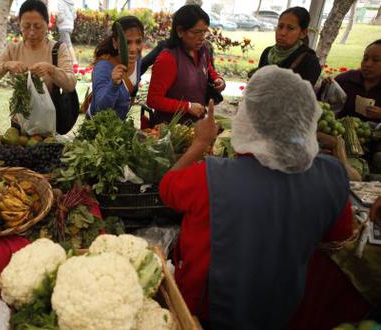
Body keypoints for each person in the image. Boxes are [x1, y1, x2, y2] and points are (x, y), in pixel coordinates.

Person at [159, 66, 353, 329]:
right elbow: (337, 237)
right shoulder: (332, 175)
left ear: (249, 120)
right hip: (282, 307)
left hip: (209, 309)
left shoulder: (211, 177)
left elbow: (168, 188)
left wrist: (200, 143)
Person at [0, 0, 76, 126]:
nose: (32, 32)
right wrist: (5, 66)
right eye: (26, 26)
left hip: (48, 122)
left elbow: (71, 84)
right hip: (19, 122)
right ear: (19, 25)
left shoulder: (57, 49)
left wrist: (51, 70)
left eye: (38, 26)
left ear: (47, 24)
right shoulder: (13, 49)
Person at [146, 5, 225, 126]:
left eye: (204, 31)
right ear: (180, 31)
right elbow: (153, 100)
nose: (202, 37)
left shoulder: (203, 51)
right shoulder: (168, 59)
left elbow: (208, 70)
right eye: (196, 32)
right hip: (170, 130)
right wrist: (187, 107)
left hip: (196, 126)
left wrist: (217, 79)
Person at [87, 16, 144, 120]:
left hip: (119, 126)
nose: (133, 49)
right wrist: (113, 85)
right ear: (115, 43)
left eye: (138, 41)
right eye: (127, 42)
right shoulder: (103, 67)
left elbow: (136, 80)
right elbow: (99, 110)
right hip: (98, 128)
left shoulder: (138, 59)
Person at [257, 7, 321, 86]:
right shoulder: (267, 52)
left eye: (290, 28)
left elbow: (302, 95)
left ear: (303, 33)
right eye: (280, 26)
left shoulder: (309, 61)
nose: (283, 33)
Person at [334, 40, 381, 121]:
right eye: (365, 59)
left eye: (376, 60)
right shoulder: (345, 80)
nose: (367, 64)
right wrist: (327, 86)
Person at [56, 0, 77, 65]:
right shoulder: (71, 3)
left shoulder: (61, 2)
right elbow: (74, 16)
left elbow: (61, 16)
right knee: (61, 44)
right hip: (70, 26)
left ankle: (74, 61)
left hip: (63, 26)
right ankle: (62, 60)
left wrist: (56, 21)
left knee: (68, 44)